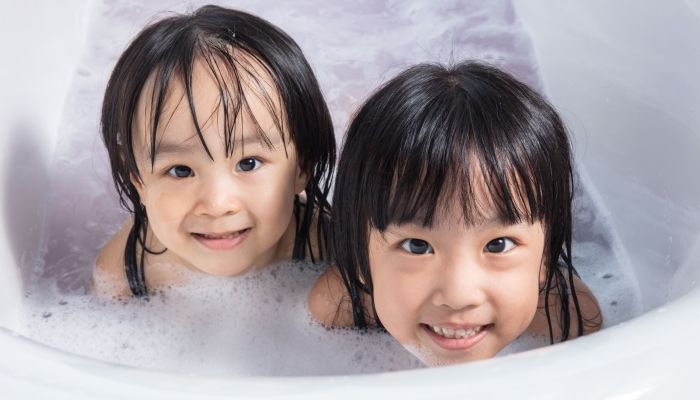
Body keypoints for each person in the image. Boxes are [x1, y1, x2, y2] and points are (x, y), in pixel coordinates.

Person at [308, 61, 602, 366]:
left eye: (498, 244)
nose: (459, 295)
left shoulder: (565, 321)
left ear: (546, 257)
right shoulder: (338, 309)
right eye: (417, 246)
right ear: (358, 257)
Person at [93, 5, 335, 297]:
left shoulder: (328, 250)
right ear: (137, 178)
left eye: (248, 163)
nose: (218, 204)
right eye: (180, 170)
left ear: (303, 166)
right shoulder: (127, 270)